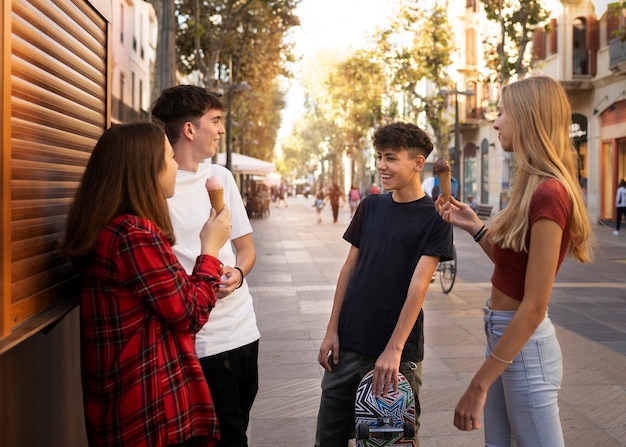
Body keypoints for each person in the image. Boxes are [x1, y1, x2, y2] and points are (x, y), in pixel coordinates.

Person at [437, 75, 594, 446]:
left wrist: (479, 383)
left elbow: (536, 305)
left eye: (502, 112)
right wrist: (475, 228)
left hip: (524, 345)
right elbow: (513, 269)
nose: (495, 122)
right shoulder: (530, 185)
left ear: (527, 117)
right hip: (503, 335)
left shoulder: (550, 193)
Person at [62, 121, 232, 447]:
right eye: (169, 157)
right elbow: (190, 312)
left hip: (125, 408)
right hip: (151, 412)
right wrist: (209, 249)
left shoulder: (113, 230)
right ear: (145, 169)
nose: (176, 165)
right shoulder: (132, 235)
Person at [315, 122, 453, 447]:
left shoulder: (435, 218)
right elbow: (349, 269)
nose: (381, 165)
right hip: (347, 346)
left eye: (390, 157)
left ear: (418, 163)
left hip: (397, 357)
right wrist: (331, 329)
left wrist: (393, 351)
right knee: (328, 439)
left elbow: (418, 287)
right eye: (380, 157)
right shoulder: (370, 206)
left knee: (391, 443)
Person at [151, 85, 260, 447]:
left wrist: (239, 273)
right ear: (189, 130)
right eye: (215, 121)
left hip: (244, 330)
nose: (221, 129)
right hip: (201, 341)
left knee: (238, 426)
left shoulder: (222, 178)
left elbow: (245, 249)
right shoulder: (154, 189)